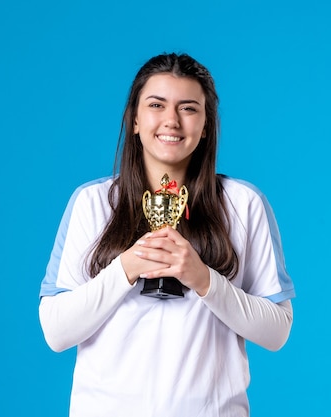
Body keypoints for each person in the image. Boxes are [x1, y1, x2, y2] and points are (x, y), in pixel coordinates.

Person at [38, 52, 295, 417]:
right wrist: (125, 268)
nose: (171, 121)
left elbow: (277, 332)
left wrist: (205, 280)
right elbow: (56, 332)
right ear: (135, 119)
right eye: (156, 105)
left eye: (188, 108)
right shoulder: (91, 203)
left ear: (206, 124)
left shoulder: (244, 204)